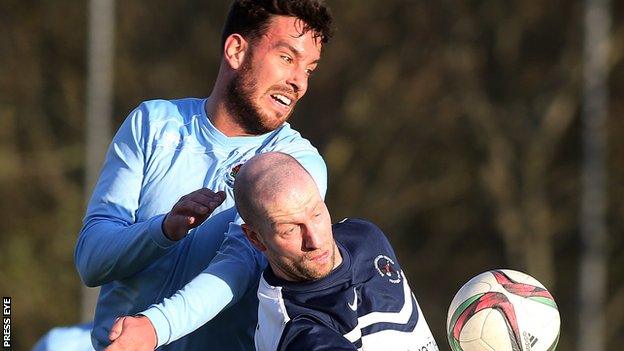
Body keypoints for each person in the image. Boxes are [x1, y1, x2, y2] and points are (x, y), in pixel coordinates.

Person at [74, 1, 333, 350]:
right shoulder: (152, 124)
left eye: (310, 69)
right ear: (237, 50)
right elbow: (91, 261)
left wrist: (153, 328)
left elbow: (240, 263)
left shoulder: (297, 164)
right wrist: (162, 230)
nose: (299, 81)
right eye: (287, 58)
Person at [236, 152, 441, 350]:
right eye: (290, 230)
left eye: (316, 214)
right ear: (255, 238)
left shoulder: (364, 236)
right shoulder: (301, 333)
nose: (315, 240)